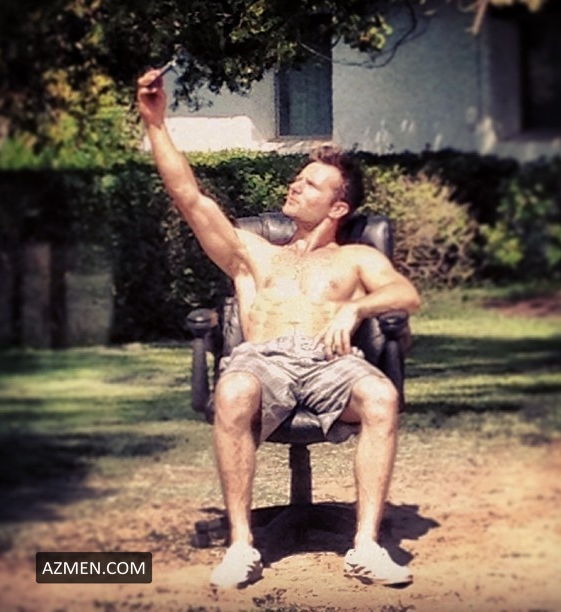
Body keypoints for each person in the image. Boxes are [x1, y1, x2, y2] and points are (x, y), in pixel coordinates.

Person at [137, 67, 421, 590]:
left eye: (311, 184)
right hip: (262, 360)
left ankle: (365, 546)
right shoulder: (254, 253)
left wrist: (354, 310)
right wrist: (156, 124)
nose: (295, 184)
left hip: (332, 364)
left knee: (381, 396)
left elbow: (405, 294)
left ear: (338, 206)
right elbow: (189, 197)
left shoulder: (356, 257)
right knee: (234, 389)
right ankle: (242, 545)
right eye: (299, 178)